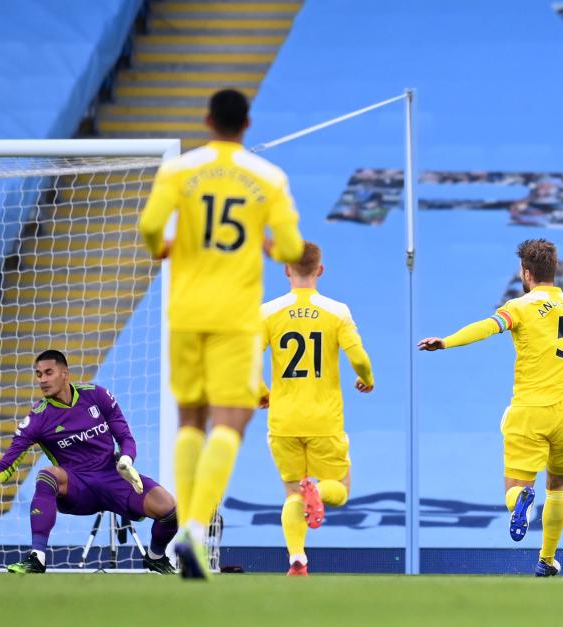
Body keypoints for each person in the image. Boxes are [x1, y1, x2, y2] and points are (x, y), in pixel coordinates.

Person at [137, 88, 305, 579]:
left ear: (207, 120)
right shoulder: (267, 177)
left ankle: (185, 529)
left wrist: (164, 245)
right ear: (247, 124)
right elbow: (292, 245)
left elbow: (149, 227)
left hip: (186, 310)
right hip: (235, 315)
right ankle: (191, 529)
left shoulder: (179, 170)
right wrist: (271, 246)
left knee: (191, 420)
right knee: (231, 423)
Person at [418, 239, 563, 576]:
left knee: (516, 488)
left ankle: (520, 502)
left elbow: (487, 327)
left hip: (531, 411)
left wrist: (446, 341)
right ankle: (546, 560)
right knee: (558, 486)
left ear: (525, 273)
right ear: (554, 271)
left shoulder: (519, 307)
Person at [0, 350, 178, 574]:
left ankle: (155, 557)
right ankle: (37, 558)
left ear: (65, 373)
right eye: (38, 374)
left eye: (48, 373)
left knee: (170, 509)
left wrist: (126, 459)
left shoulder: (97, 395)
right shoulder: (37, 419)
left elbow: (125, 437)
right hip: (77, 487)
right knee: (48, 474)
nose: (42, 379)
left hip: (114, 477)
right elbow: (7, 464)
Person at [259, 242, 374, 576]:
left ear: (286, 270)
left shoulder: (268, 312)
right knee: (339, 489)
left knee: (292, 493)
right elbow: (359, 359)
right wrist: (366, 378)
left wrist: (260, 391)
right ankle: (318, 493)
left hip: (283, 420)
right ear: (320, 270)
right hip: (324, 419)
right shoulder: (336, 311)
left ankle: (297, 558)